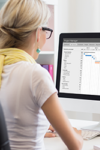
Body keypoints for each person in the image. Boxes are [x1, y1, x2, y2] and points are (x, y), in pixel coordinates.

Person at [0, 0, 83, 150]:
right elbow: (75, 145)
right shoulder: (35, 74)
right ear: (38, 33)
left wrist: (36, 128)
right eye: (46, 30)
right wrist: (77, 134)